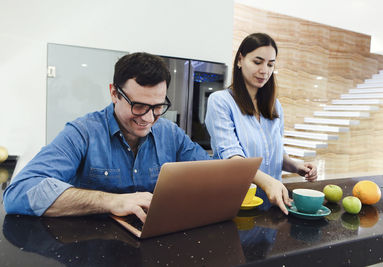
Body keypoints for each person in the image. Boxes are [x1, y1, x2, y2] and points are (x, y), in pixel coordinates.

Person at [3, 52, 211, 222]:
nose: (148, 118)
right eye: (138, 106)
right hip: (90, 247)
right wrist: (111, 201)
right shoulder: (82, 133)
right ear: (114, 93)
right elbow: (18, 193)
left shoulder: (171, 133)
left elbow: (212, 176)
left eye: (157, 107)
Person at [205, 33, 318, 214]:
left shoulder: (275, 106)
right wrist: (268, 182)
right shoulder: (220, 101)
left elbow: (275, 153)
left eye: (270, 64)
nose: (265, 70)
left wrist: (297, 167)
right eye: (257, 62)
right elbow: (232, 158)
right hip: (236, 203)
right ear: (240, 60)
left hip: (273, 203)